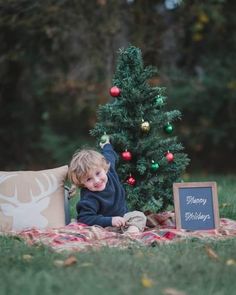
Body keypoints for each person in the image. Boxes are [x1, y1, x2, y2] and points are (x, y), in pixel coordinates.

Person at [68, 138, 146, 233]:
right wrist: (110, 220)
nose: (97, 180)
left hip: (124, 220)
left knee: (139, 216)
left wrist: (106, 145)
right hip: (105, 227)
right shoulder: (89, 197)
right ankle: (128, 235)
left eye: (98, 173)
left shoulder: (110, 171)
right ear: (82, 184)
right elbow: (85, 218)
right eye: (89, 179)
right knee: (91, 230)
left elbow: (109, 155)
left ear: (104, 168)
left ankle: (131, 233)